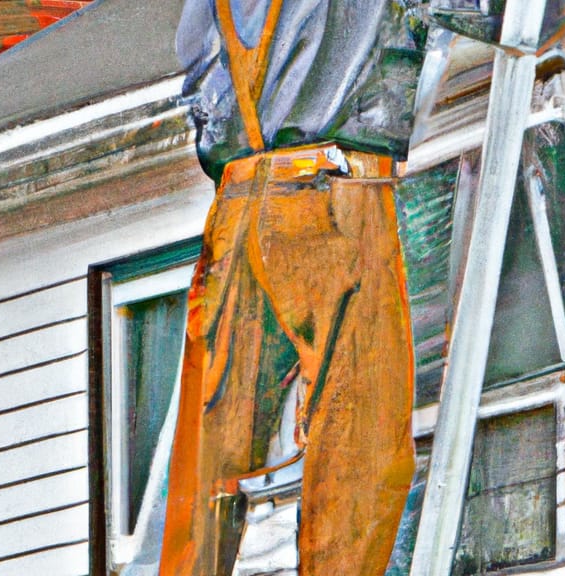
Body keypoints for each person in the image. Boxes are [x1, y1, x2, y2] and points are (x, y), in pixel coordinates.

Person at [160, 1, 427, 574]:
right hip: (332, 195)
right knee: (362, 437)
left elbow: (199, 77)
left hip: (236, 203)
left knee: (209, 456)